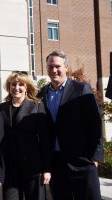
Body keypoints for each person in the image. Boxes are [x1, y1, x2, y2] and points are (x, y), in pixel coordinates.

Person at [38, 50, 104, 200]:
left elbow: (94, 124)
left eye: (57, 66)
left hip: (82, 161)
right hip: (56, 163)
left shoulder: (81, 89)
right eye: (50, 66)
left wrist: (95, 156)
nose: (53, 70)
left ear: (66, 67)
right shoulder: (41, 94)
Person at [0, 72, 51, 200]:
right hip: (10, 168)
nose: (16, 87)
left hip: (33, 168)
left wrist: (47, 168)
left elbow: (45, 140)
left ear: (27, 87)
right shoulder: (1, 108)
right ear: (9, 87)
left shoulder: (37, 105)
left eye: (21, 84)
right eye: (13, 84)